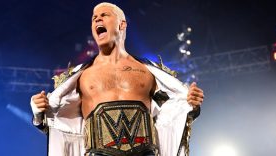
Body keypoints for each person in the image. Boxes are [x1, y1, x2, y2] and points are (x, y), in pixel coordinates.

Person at [30, 2, 204, 156]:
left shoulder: (148, 72)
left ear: (122, 24)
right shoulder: (82, 76)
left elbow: (171, 110)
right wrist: (39, 110)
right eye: (94, 18)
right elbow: (58, 121)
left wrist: (189, 102)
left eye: (104, 15)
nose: (97, 19)